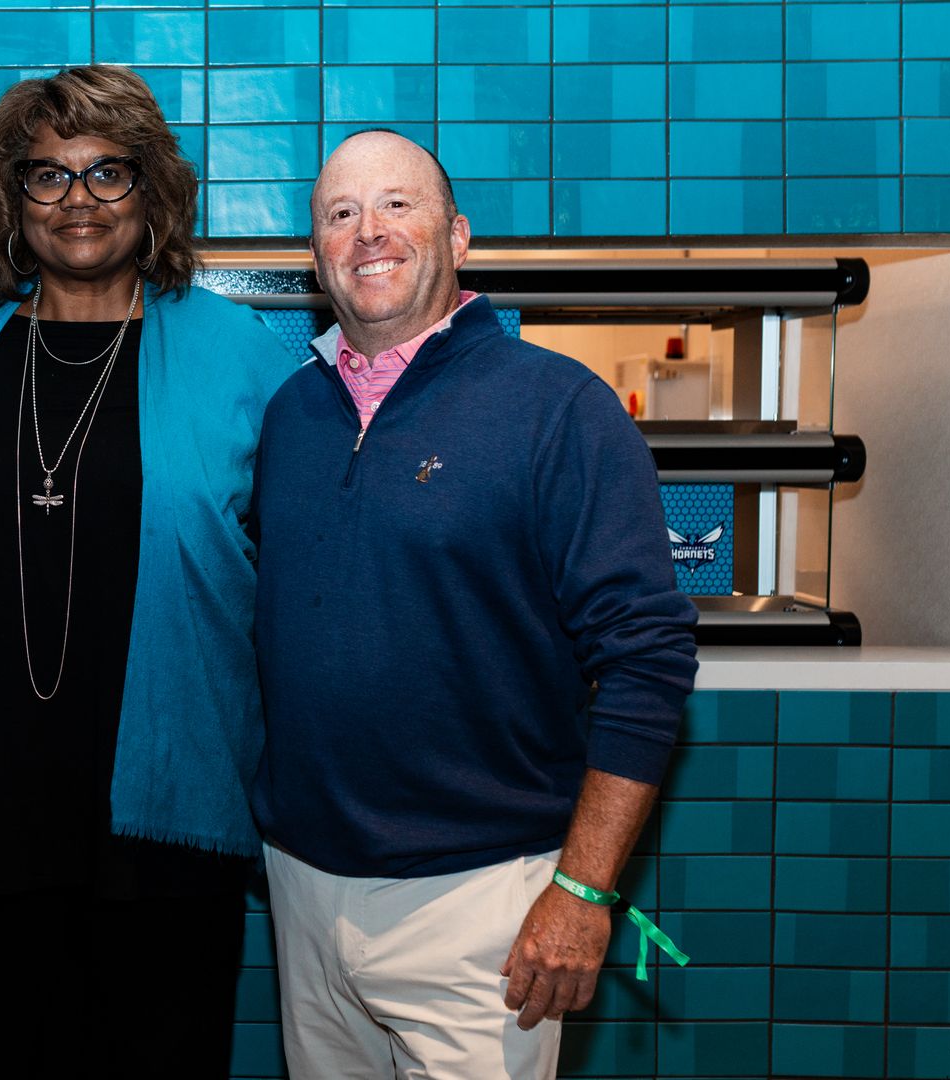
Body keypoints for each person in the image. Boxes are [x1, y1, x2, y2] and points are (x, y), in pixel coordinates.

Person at [251, 129, 699, 1079]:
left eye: (397, 205)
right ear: (317, 254)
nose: (368, 231)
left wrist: (582, 888)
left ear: (458, 238)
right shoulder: (293, 413)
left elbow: (648, 659)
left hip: (481, 908)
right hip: (302, 888)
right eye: (340, 214)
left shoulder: (558, 409)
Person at [0, 65, 292, 1079]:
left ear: (152, 191)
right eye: (47, 176)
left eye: (107, 173)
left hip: (170, 823)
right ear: (10, 201)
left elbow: (310, 580)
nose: (77, 200)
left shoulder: (244, 358)